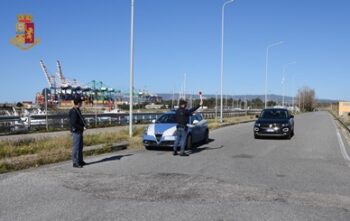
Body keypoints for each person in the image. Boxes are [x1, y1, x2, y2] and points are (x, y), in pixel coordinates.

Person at [69, 96, 87, 168]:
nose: (82, 103)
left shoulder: (77, 110)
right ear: (79, 103)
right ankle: (75, 162)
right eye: (81, 102)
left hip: (79, 131)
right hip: (76, 131)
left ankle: (80, 160)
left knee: (80, 147)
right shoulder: (73, 111)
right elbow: (73, 123)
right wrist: (82, 127)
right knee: (76, 147)